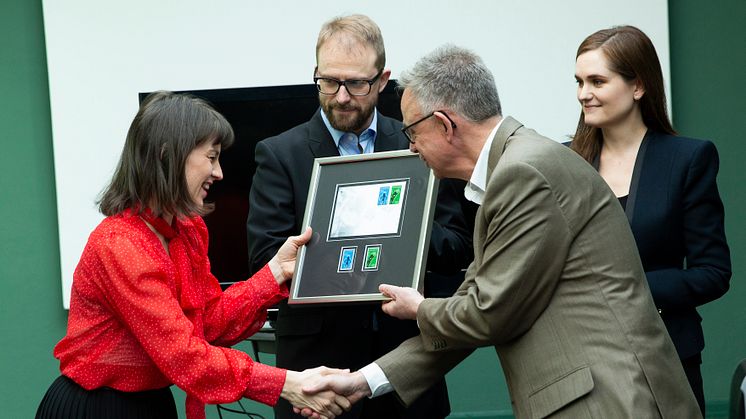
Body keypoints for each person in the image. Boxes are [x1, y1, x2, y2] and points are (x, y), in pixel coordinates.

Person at [301, 45, 703, 418]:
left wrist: (419, 308)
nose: (411, 149)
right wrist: (362, 382)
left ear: (444, 125)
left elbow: (487, 313)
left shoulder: (523, 174)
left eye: (412, 133)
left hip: (609, 401)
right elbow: (477, 306)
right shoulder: (515, 167)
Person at [36, 91, 351, 419]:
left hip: (151, 404)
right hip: (97, 409)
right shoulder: (120, 245)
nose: (219, 173)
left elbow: (208, 324)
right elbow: (185, 357)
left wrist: (275, 272)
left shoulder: (187, 231)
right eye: (211, 157)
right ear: (167, 155)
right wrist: (286, 383)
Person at [247, 14, 475, 419]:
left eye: (356, 83)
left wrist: (399, 230)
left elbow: (457, 245)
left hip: (407, 370)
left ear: (383, 80)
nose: (340, 97)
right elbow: (264, 257)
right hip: (317, 373)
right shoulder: (280, 154)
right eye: (328, 81)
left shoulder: (418, 143)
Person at [571, 25, 731, 415]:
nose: (583, 94)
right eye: (578, 81)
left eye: (597, 81)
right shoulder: (564, 161)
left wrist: (629, 288)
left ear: (638, 86)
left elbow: (713, 272)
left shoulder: (688, 159)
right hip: (582, 362)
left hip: (665, 356)